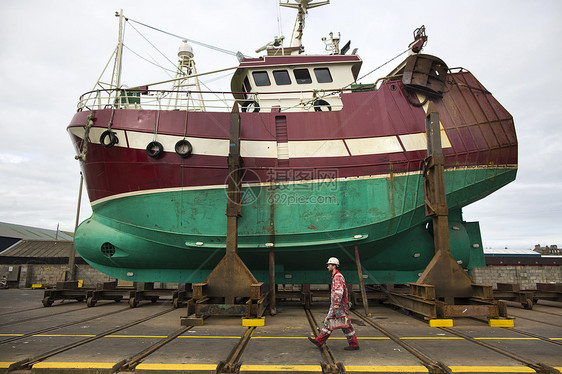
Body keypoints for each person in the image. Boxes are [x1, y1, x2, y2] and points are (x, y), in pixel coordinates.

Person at [308, 257, 360, 350]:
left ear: (334, 266)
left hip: (339, 306)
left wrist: (336, 304)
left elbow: (339, 291)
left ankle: (354, 344)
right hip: (337, 305)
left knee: (346, 325)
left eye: (329, 265)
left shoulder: (338, 277)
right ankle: (320, 340)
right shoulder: (335, 276)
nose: (328, 267)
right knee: (329, 322)